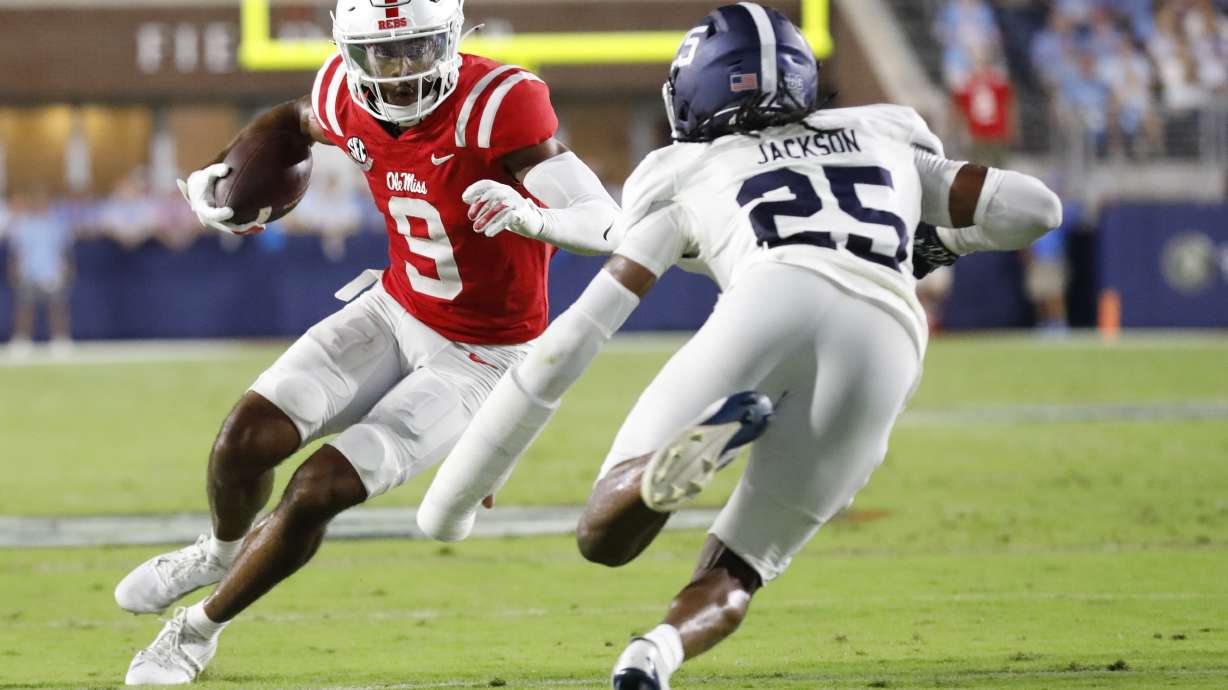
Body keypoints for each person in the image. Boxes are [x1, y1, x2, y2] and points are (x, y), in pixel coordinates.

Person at [415, 5, 1063, 689]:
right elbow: (1036, 209)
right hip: (888, 335)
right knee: (743, 566)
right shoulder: (882, 131)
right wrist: (933, 238)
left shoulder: (680, 169)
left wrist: (481, 466)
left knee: (604, 535)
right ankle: (654, 654)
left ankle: (696, 451)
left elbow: (583, 327)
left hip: (770, 294)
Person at [116, 0, 621, 684]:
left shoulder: (497, 103)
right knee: (246, 437)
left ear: (450, 39)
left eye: (418, 48)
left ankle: (197, 633)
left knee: (320, 487)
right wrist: (223, 170)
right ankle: (216, 550)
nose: (403, 69)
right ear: (350, 52)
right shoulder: (341, 94)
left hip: (482, 354)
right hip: (394, 308)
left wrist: (538, 219)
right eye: (385, 53)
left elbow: (605, 222)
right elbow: (290, 121)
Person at [5, 189, 75, 353]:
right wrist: (14, 270)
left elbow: (65, 250)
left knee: (57, 307)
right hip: (28, 272)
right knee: (24, 307)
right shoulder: (23, 225)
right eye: (37, 203)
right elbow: (16, 251)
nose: (40, 206)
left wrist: (67, 269)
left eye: (43, 203)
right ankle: (22, 340)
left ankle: (60, 340)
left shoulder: (57, 225)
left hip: (52, 272)